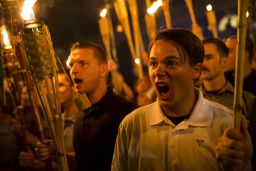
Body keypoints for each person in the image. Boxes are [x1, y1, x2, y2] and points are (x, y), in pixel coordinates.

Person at [111, 29, 253, 171]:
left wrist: (241, 163)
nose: (158, 72)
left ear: (196, 70)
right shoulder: (132, 124)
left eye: (171, 63)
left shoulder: (227, 123)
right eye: (153, 64)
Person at [67, 41, 137, 171]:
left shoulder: (127, 113)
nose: (74, 70)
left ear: (103, 70)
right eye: (71, 65)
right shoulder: (81, 119)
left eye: (83, 64)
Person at [200, 38, 256, 169]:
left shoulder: (246, 100)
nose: (202, 63)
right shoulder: (191, 100)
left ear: (224, 62)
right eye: (200, 58)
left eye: (208, 57)